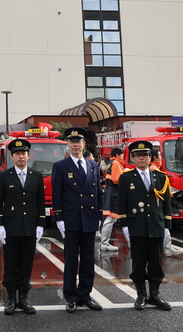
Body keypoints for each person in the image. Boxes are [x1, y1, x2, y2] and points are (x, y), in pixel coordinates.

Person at [51, 127, 103, 313]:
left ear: (84, 144)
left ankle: (85, 295)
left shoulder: (93, 166)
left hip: (89, 218)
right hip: (71, 219)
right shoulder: (60, 166)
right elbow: (57, 194)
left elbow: (98, 193)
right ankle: (71, 297)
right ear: (68, 145)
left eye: (78, 142)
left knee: (89, 260)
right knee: (71, 260)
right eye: (72, 142)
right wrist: (59, 218)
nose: (75, 145)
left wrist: (99, 215)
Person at [118, 141, 173, 310]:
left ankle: (154, 295)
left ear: (151, 157)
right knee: (138, 263)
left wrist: (167, 225)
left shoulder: (161, 177)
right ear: (133, 158)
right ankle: (141, 295)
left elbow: (166, 204)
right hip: (137, 226)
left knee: (156, 263)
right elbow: (122, 204)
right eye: (137, 155)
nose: (141, 158)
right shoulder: (126, 178)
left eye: (145, 155)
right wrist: (125, 225)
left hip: (156, 225)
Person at [0, 138, 45, 315]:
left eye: (24, 153)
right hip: (11, 227)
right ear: (12, 156)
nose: (21, 156)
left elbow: (41, 203)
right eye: (17, 154)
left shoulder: (37, 176)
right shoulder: (4, 176)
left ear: (28, 155)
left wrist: (40, 224)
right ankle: (10, 299)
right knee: (10, 264)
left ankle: (23, 298)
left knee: (26, 264)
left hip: (30, 226)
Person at [149, 148, 183, 256]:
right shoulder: (156, 171)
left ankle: (166, 248)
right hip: (157, 206)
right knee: (163, 227)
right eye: (159, 156)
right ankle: (167, 248)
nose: (161, 158)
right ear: (154, 157)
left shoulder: (153, 170)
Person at [100, 147, 125, 252]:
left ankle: (104, 243)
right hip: (114, 193)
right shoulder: (116, 163)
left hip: (110, 192)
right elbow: (117, 179)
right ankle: (104, 243)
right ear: (118, 154)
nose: (123, 157)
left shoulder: (110, 163)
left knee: (110, 219)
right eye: (122, 154)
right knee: (111, 219)